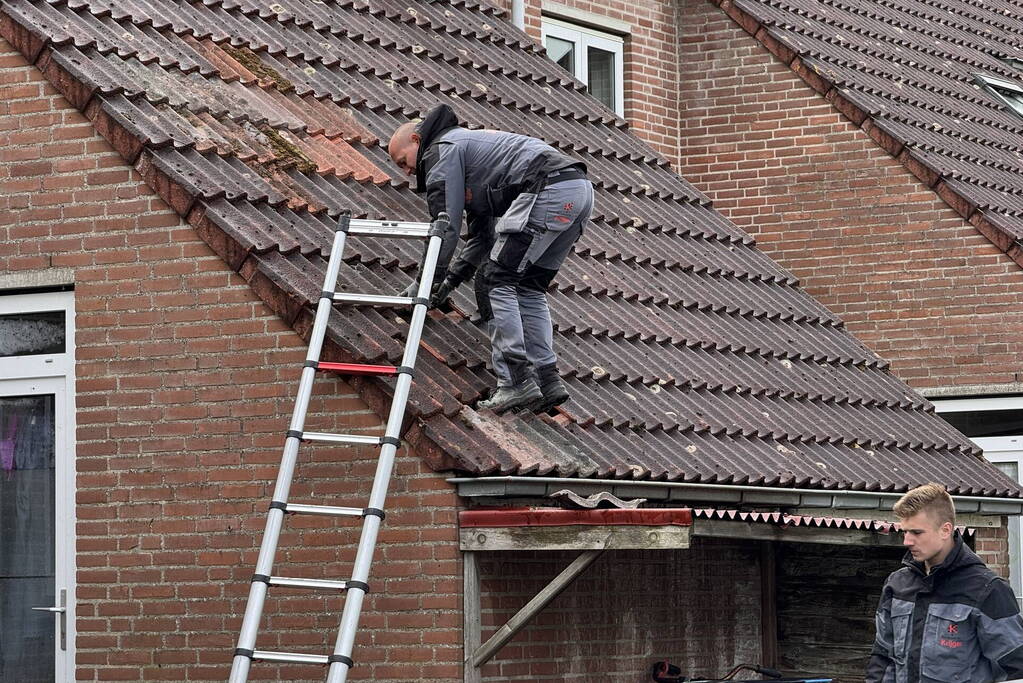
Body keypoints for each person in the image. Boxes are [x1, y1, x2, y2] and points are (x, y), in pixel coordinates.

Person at [387, 103, 593, 413]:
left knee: (495, 280)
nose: (406, 172)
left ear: (417, 140)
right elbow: (482, 238)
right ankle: (547, 381)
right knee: (528, 287)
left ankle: (515, 382)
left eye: (403, 162)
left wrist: (425, 284)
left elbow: (445, 226)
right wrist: (448, 284)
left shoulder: (440, 151)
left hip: (547, 188)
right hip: (578, 190)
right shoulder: (472, 156)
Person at [866, 482, 1023, 682]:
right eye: (905, 531)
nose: (907, 541)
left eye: (916, 532)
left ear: (945, 530)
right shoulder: (897, 584)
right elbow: (882, 659)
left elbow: (1017, 668)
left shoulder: (987, 590)